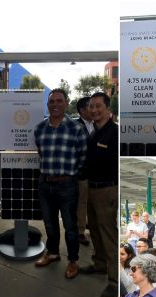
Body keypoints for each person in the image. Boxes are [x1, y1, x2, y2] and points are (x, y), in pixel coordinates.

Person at [33, 88, 87, 280]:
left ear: (66, 103)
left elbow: (83, 157)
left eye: (59, 101)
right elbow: (41, 152)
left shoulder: (76, 129)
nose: (55, 104)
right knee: (49, 223)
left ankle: (73, 261)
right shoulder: (39, 129)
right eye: (51, 102)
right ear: (48, 105)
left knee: (71, 226)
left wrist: (70, 175)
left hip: (67, 185)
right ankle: (53, 253)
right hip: (45, 184)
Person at [80, 92, 118, 297]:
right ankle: (100, 264)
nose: (94, 110)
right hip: (92, 189)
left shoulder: (114, 133)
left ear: (107, 108)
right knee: (94, 230)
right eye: (91, 107)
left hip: (107, 190)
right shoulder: (95, 132)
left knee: (109, 236)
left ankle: (114, 281)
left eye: (98, 106)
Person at [75, 96, 93, 246]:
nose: (93, 109)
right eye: (90, 106)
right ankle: (80, 231)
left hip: (98, 174)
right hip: (82, 173)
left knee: (93, 203)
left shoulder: (98, 124)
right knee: (82, 203)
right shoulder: (75, 126)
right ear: (82, 110)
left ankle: (90, 225)